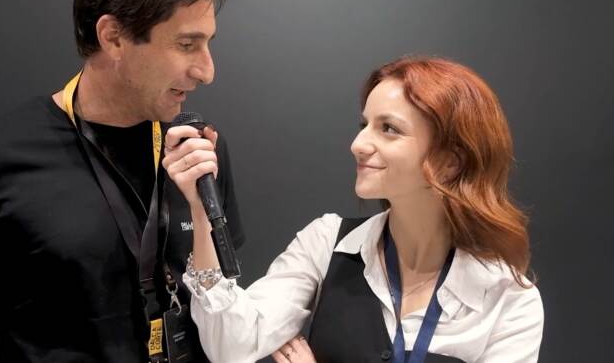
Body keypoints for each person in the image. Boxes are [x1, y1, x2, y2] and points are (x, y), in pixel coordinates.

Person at [0, 0, 244, 363]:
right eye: (186, 45)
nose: (207, 71)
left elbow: (225, 313)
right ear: (113, 37)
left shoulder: (199, 150)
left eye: (208, 44)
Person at [164, 56, 544, 363]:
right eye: (364, 124)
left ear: (450, 161)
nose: (358, 144)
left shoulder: (507, 300)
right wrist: (201, 212)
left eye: (389, 128)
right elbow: (232, 345)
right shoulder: (327, 242)